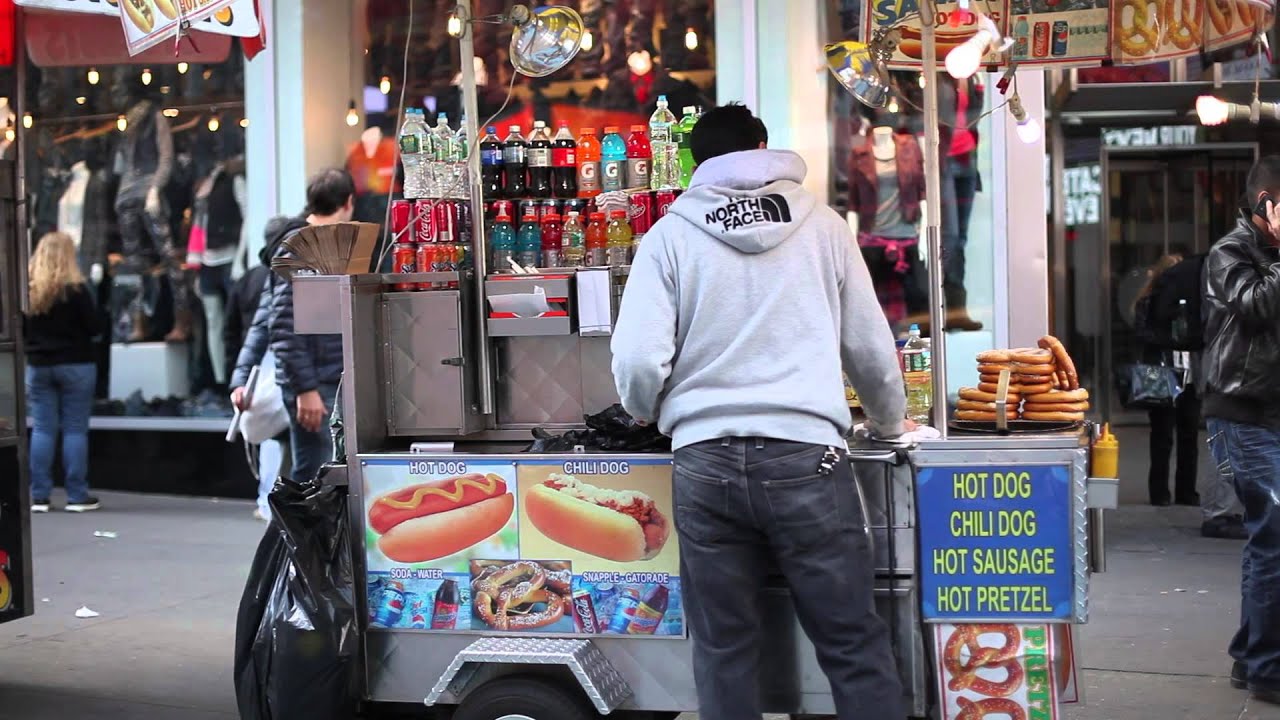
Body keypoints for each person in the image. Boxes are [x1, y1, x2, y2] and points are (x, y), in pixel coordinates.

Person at [612, 104, 908, 720]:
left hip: (704, 460)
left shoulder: (670, 234)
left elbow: (639, 358)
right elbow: (871, 348)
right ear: (764, 147)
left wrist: (648, 410)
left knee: (725, 650)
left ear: (695, 163)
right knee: (851, 640)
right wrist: (889, 423)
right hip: (807, 458)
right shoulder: (822, 225)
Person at [1203, 154, 1280, 704]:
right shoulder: (1231, 252)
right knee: (1273, 537)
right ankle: (1265, 669)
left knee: (1270, 537)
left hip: (1272, 412)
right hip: (1244, 414)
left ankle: (1248, 653)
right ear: (1266, 205)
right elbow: (1255, 306)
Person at [268, 169, 354, 483]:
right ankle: (286, 535)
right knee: (311, 479)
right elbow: (282, 325)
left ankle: (292, 534)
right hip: (314, 385)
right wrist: (305, 389)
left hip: (328, 379)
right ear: (349, 203)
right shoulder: (300, 248)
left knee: (318, 477)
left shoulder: (327, 245)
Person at [225, 216, 299, 520]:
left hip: (259, 369)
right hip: (277, 366)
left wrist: (236, 373)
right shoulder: (279, 277)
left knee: (270, 438)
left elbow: (234, 329)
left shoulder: (251, 278)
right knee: (287, 438)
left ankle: (267, 499)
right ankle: (279, 503)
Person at [24, 232, 102, 513]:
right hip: (76, 363)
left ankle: (40, 495)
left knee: (42, 428)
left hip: (39, 365)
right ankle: (76, 495)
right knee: (74, 429)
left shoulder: (30, 291)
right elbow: (95, 327)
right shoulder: (77, 290)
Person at [1134, 253, 1202, 508]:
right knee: (1162, 436)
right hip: (1162, 374)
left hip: (1189, 375)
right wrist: (1169, 336)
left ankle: (1186, 491)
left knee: (1189, 435)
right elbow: (1142, 334)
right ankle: (1159, 491)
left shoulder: (1192, 304)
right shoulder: (1150, 302)